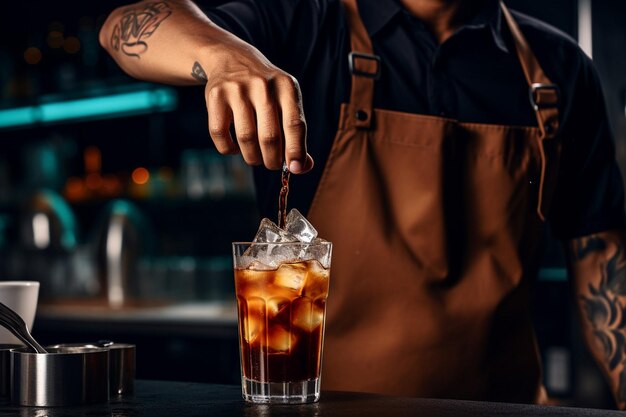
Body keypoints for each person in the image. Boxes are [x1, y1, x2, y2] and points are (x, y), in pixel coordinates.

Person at [100, 0, 626, 408]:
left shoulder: (559, 70)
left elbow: (605, 263)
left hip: (506, 407)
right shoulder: (308, 23)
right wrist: (223, 56)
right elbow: (121, 29)